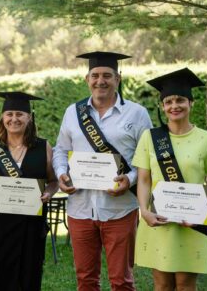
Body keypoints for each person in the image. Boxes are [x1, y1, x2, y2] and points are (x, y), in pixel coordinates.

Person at [53, 51, 152, 291]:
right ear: (87, 79)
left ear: (118, 78)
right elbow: (60, 150)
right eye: (95, 75)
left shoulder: (137, 113)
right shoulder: (72, 112)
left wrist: (129, 179)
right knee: (85, 279)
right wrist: (61, 175)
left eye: (107, 75)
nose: (101, 81)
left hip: (120, 210)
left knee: (122, 281)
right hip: (80, 209)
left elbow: (148, 159)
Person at [133, 68, 207, 290]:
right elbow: (144, 180)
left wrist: (200, 209)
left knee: (185, 285)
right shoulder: (150, 137)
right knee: (162, 284)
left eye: (180, 100)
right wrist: (144, 211)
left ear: (191, 103)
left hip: (191, 224)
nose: (175, 106)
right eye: (169, 101)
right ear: (163, 106)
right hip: (158, 220)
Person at [0, 91, 58, 291]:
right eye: (9, 114)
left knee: (28, 276)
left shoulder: (43, 147)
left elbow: (53, 180)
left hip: (30, 226)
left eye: (19, 114)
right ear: (3, 118)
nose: (14, 119)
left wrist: (49, 192)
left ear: (29, 117)